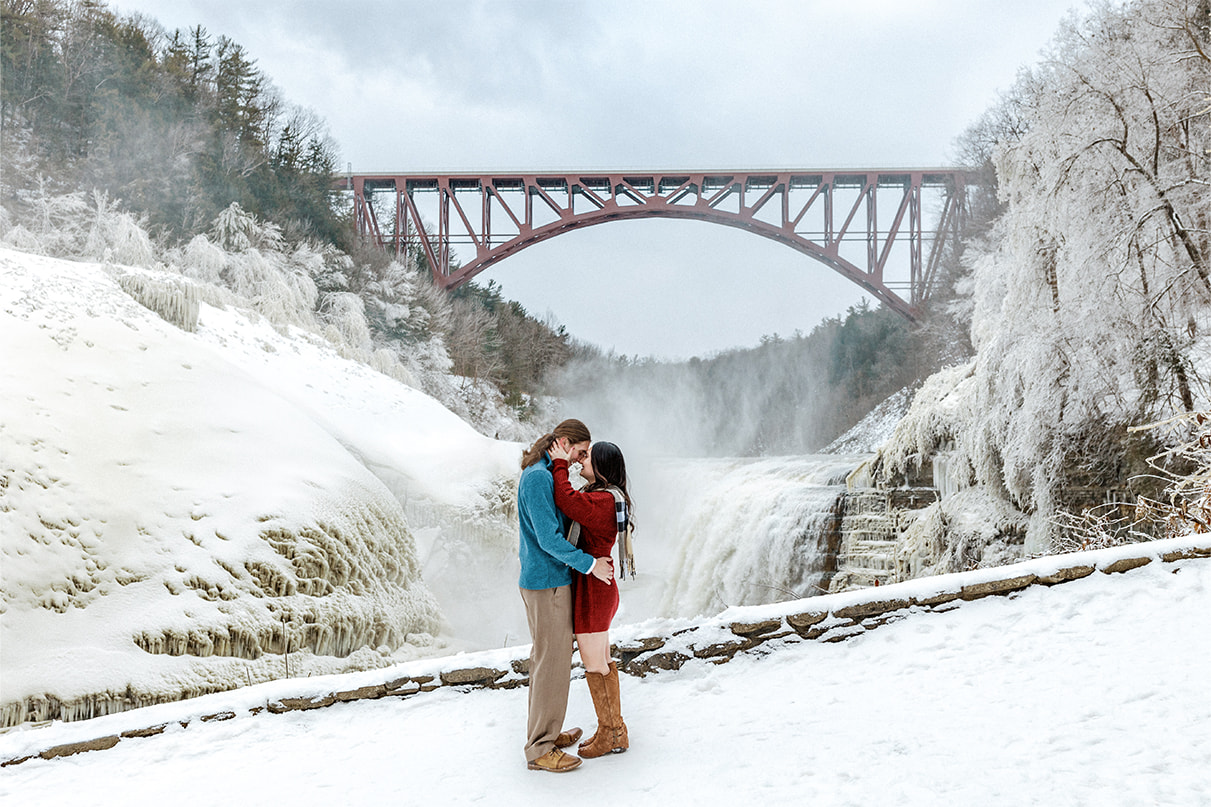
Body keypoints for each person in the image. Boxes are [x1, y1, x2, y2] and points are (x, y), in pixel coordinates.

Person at [517, 419, 615, 773]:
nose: (580, 460)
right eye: (581, 452)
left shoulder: (541, 471)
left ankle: (546, 733)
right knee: (552, 664)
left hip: (547, 580)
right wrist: (590, 565)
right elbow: (548, 539)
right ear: (563, 442)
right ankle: (540, 747)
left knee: (547, 660)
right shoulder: (540, 477)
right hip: (548, 583)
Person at [548, 439, 632, 758]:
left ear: (602, 466)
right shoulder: (607, 498)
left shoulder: (602, 501)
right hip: (597, 586)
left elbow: (568, 502)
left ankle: (611, 734)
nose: (582, 460)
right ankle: (614, 730)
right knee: (604, 662)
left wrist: (558, 464)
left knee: (595, 665)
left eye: (588, 457)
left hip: (594, 588)